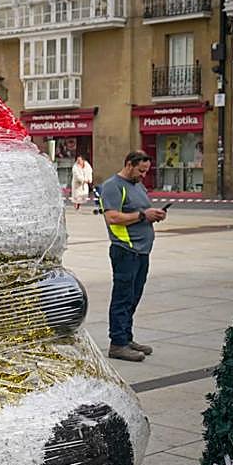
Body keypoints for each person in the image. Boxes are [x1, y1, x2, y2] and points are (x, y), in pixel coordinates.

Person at [99, 151, 167, 362]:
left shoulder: (138, 185)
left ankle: (126, 337)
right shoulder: (113, 186)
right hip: (125, 249)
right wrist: (142, 216)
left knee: (133, 296)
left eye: (146, 171)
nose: (143, 175)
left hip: (142, 250)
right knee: (123, 296)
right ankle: (117, 343)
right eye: (141, 170)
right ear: (129, 164)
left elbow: (141, 212)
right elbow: (112, 217)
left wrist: (153, 215)